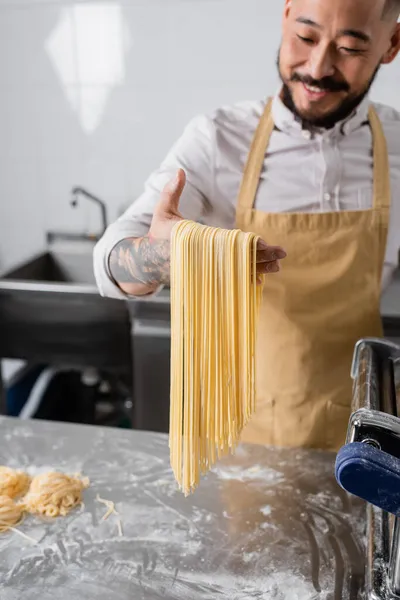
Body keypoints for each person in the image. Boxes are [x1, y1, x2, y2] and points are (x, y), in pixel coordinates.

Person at [94, 0, 400, 451]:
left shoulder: (396, 145)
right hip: (240, 435)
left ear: (391, 45)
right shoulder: (217, 140)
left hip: (361, 436)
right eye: (306, 37)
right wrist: (160, 258)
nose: (317, 68)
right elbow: (108, 261)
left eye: (350, 48)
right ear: (286, 16)